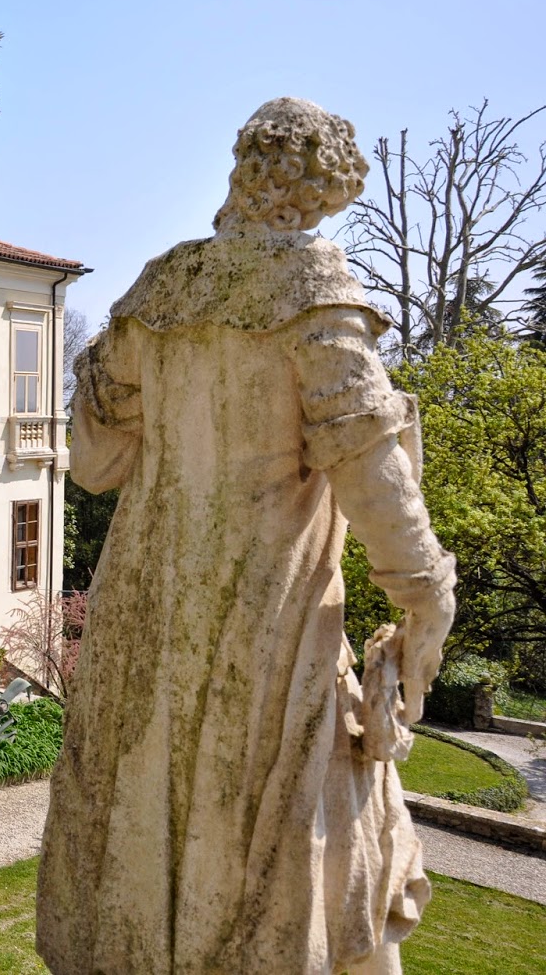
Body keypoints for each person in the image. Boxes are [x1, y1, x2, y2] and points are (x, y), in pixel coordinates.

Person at [36, 98, 455, 974]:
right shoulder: (318, 307)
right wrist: (426, 599)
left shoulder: (160, 295)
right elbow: (379, 486)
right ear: (325, 193)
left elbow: (93, 463)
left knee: (144, 832)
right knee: (289, 854)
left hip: (147, 614)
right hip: (265, 627)